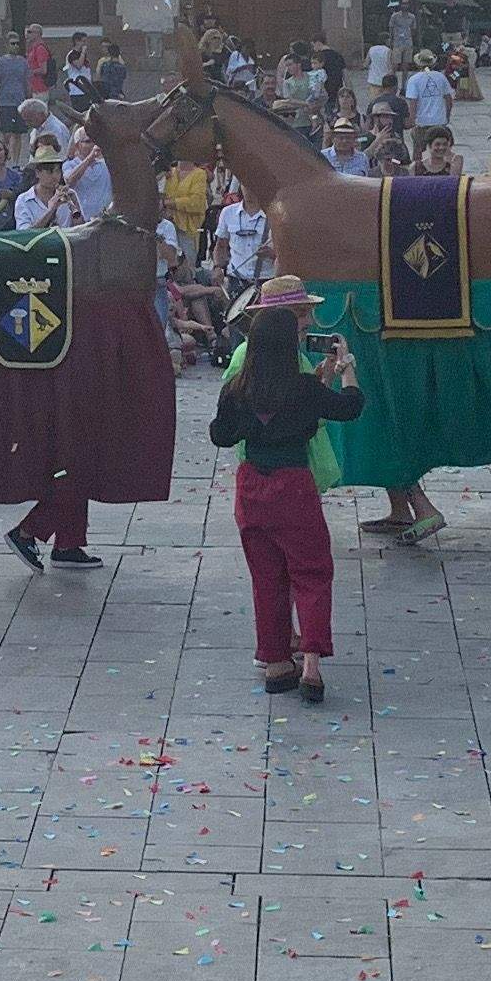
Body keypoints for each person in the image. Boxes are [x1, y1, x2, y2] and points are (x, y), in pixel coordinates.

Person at [208, 277, 368, 704]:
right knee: (312, 572)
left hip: (252, 487)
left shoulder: (237, 387)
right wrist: (347, 370)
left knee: (267, 577)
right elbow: (349, 408)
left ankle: (277, 662)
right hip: (294, 486)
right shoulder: (303, 387)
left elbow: (219, 435)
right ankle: (312, 663)